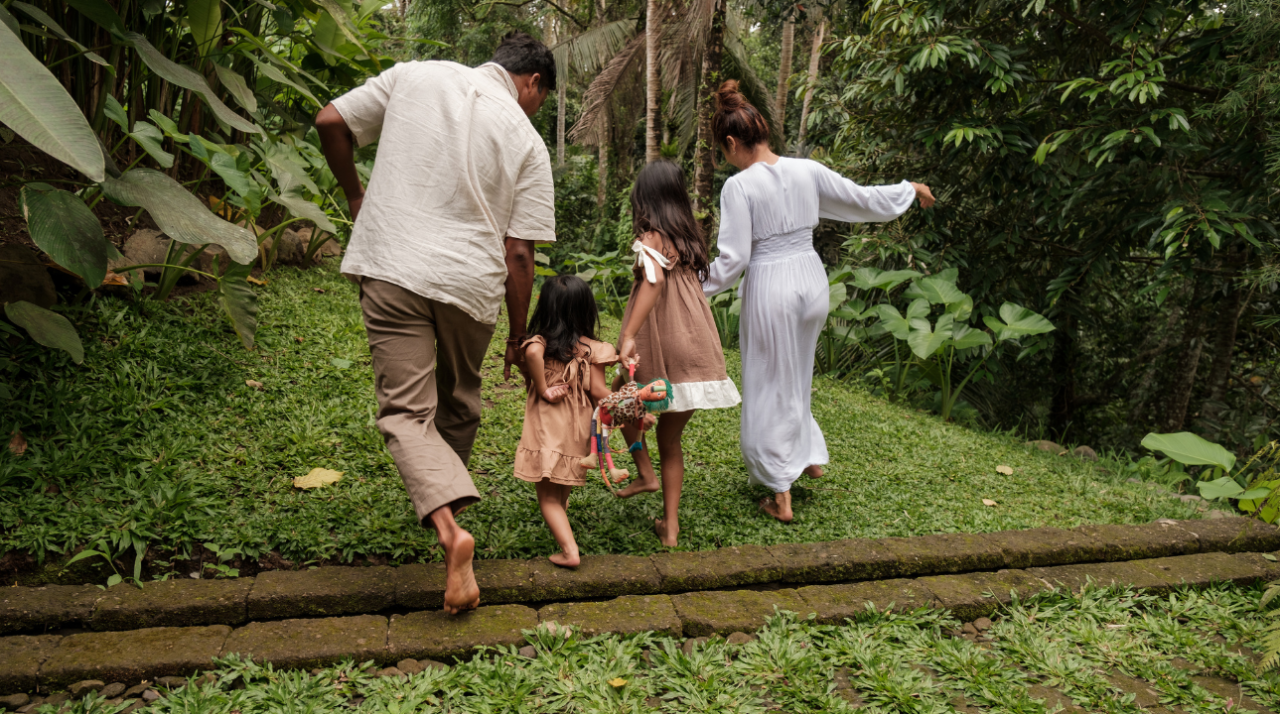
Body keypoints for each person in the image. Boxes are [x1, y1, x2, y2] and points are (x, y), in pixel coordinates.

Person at [315, 32, 557, 614]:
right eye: (540, 99)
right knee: (460, 404)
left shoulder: (415, 74)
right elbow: (519, 253)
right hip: (469, 286)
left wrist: (355, 195)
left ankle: (448, 529)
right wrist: (518, 333)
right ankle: (445, 516)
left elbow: (330, 121)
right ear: (532, 83)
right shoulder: (527, 138)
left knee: (405, 412)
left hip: (393, 262)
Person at [701, 81, 935, 523]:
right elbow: (862, 199)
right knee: (797, 374)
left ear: (732, 142)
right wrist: (908, 189)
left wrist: (690, 288)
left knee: (769, 383)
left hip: (772, 284)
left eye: (723, 149)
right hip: (811, 280)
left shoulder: (739, 187)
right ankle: (807, 454)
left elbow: (733, 261)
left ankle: (779, 491)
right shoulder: (806, 169)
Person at [615, 160, 742, 547]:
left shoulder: (651, 238)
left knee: (616, 402)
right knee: (670, 440)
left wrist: (629, 335)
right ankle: (670, 528)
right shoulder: (689, 240)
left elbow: (652, 283)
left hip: (661, 342)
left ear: (645, 200)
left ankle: (644, 473)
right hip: (696, 345)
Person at [515, 275, 619, 567]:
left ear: (546, 309)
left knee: (546, 497)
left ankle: (569, 552)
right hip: (579, 427)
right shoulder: (592, 349)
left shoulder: (541, 344)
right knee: (559, 486)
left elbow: (532, 351)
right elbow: (599, 391)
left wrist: (544, 388)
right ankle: (561, 519)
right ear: (586, 309)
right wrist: (625, 409)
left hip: (549, 426)